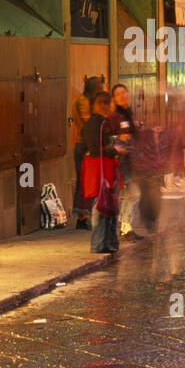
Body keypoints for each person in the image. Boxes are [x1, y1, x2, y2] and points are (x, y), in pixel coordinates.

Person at [82, 90, 120, 254]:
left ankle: (105, 242)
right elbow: (101, 148)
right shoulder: (101, 124)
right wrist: (116, 148)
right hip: (103, 168)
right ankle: (99, 244)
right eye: (104, 103)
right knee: (102, 205)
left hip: (98, 168)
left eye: (108, 102)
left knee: (104, 204)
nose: (107, 106)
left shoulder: (92, 124)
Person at [71, 76, 102, 230]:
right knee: (84, 182)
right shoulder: (83, 102)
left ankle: (85, 215)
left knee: (87, 182)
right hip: (85, 146)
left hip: (87, 145)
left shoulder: (84, 101)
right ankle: (82, 217)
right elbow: (88, 124)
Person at [110, 83, 139, 239]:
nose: (122, 96)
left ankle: (126, 225)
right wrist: (118, 139)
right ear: (114, 98)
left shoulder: (130, 114)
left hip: (132, 158)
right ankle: (125, 226)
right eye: (118, 94)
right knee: (129, 192)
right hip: (121, 160)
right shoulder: (114, 117)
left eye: (124, 92)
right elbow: (107, 137)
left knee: (132, 192)